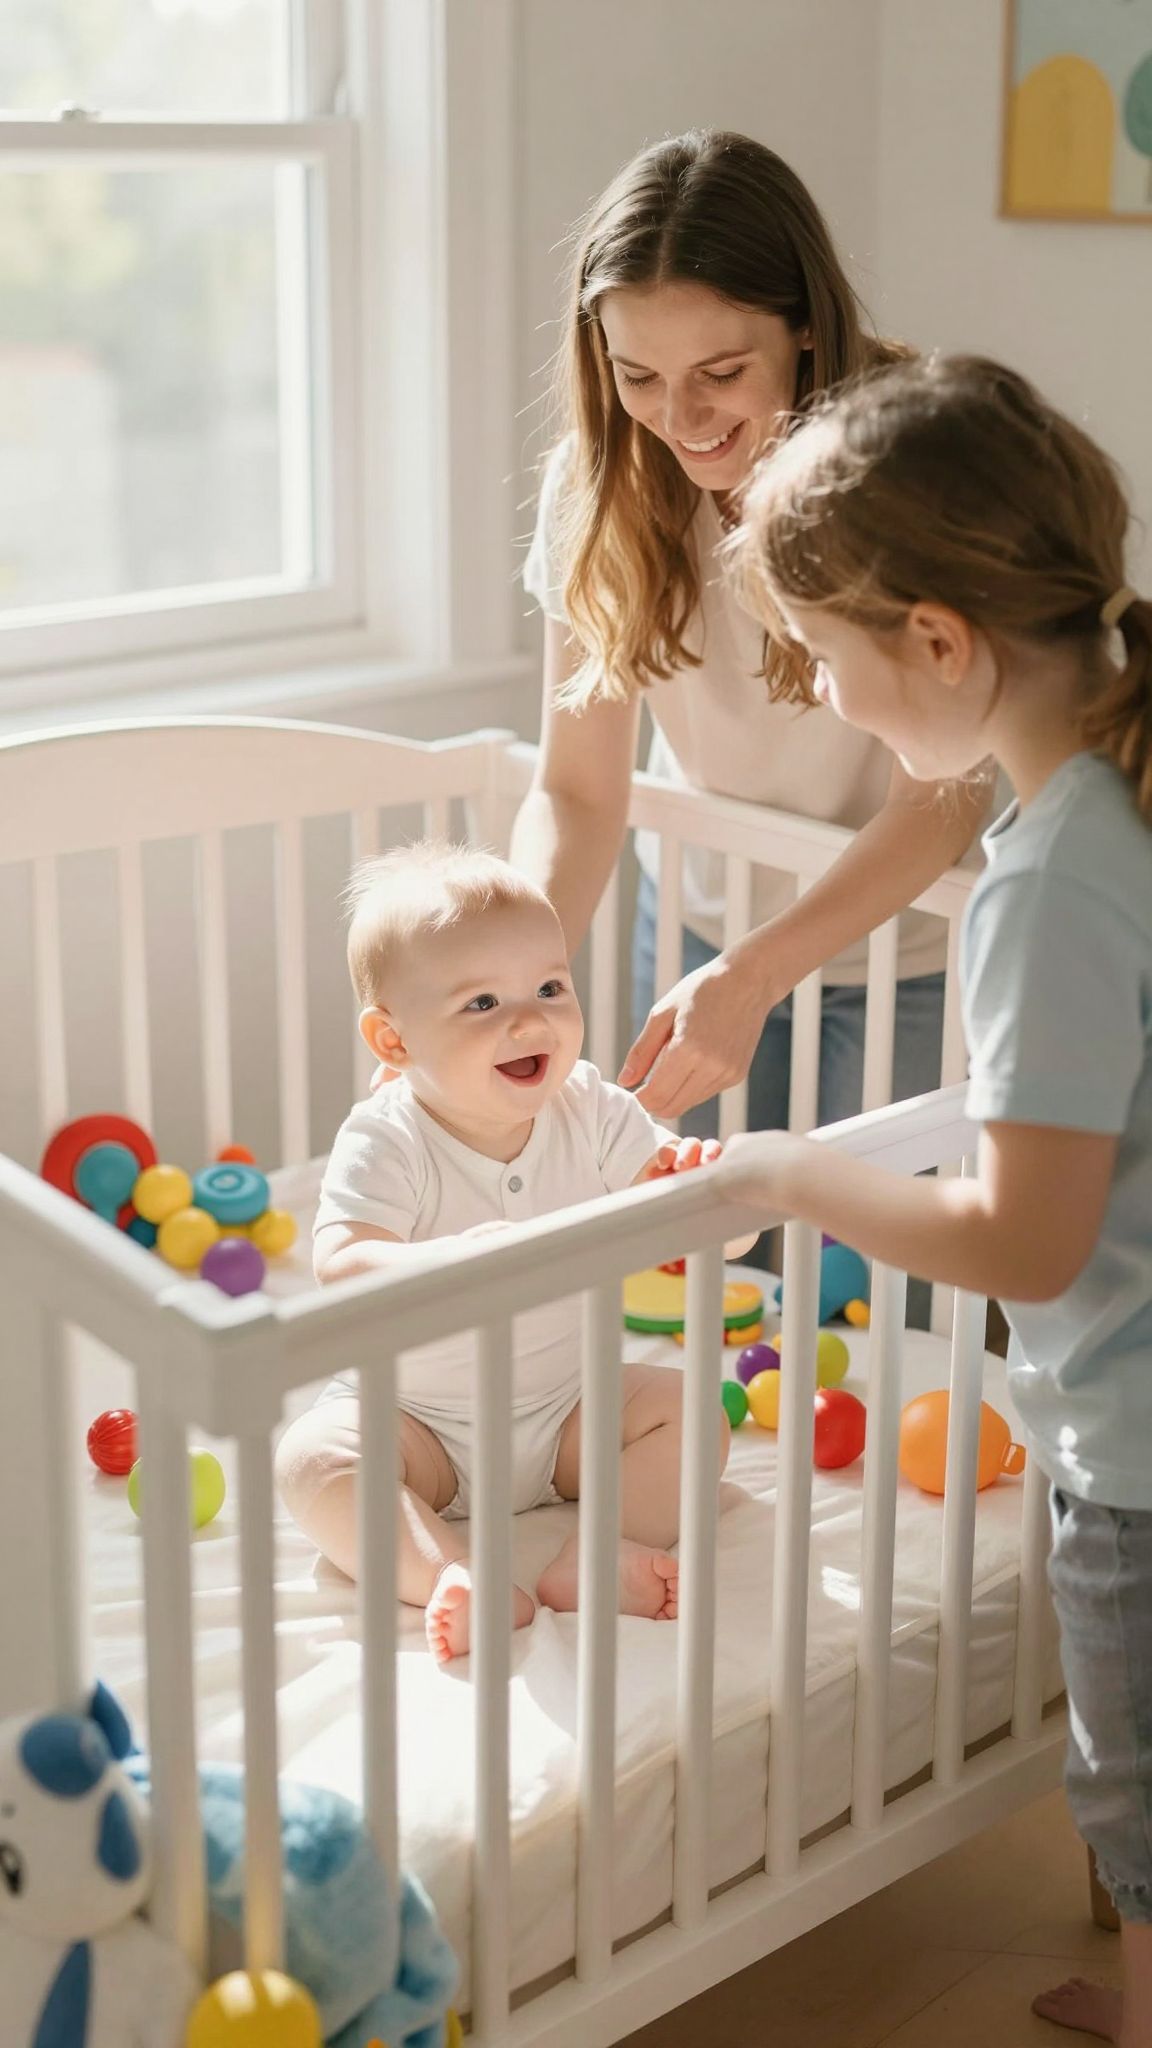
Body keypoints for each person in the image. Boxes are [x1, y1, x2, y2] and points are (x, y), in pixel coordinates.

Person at [716, 351, 1152, 2048]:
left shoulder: (1051, 876)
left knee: (1134, 1803)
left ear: (938, 645)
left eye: (824, 659)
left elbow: (1022, 1237)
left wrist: (785, 1171)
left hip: (1132, 1443)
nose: (826, 700)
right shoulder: (1114, 789)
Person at [515, 129, 991, 1160]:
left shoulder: (909, 472)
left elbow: (942, 797)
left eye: (721, 372)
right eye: (638, 375)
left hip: (898, 945)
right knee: (711, 1276)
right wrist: (505, 986)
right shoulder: (600, 489)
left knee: (875, 1298)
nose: (679, 420)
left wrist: (758, 970)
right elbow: (581, 790)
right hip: (694, 914)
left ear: (807, 330)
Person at [275, 842, 746, 1666]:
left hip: (568, 1406)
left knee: (693, 1412)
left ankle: (596, 1554)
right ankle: (448, 1573)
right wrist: (452, 1260)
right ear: (392, 1042)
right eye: (482, 1002)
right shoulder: (388, 1137)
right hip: (417, 1421)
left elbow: (718, 1231)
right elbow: (341, 1261)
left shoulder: (591, 1106)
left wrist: (704, 1192)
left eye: (550, 989)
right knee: (311, 1462)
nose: (528, 1021)